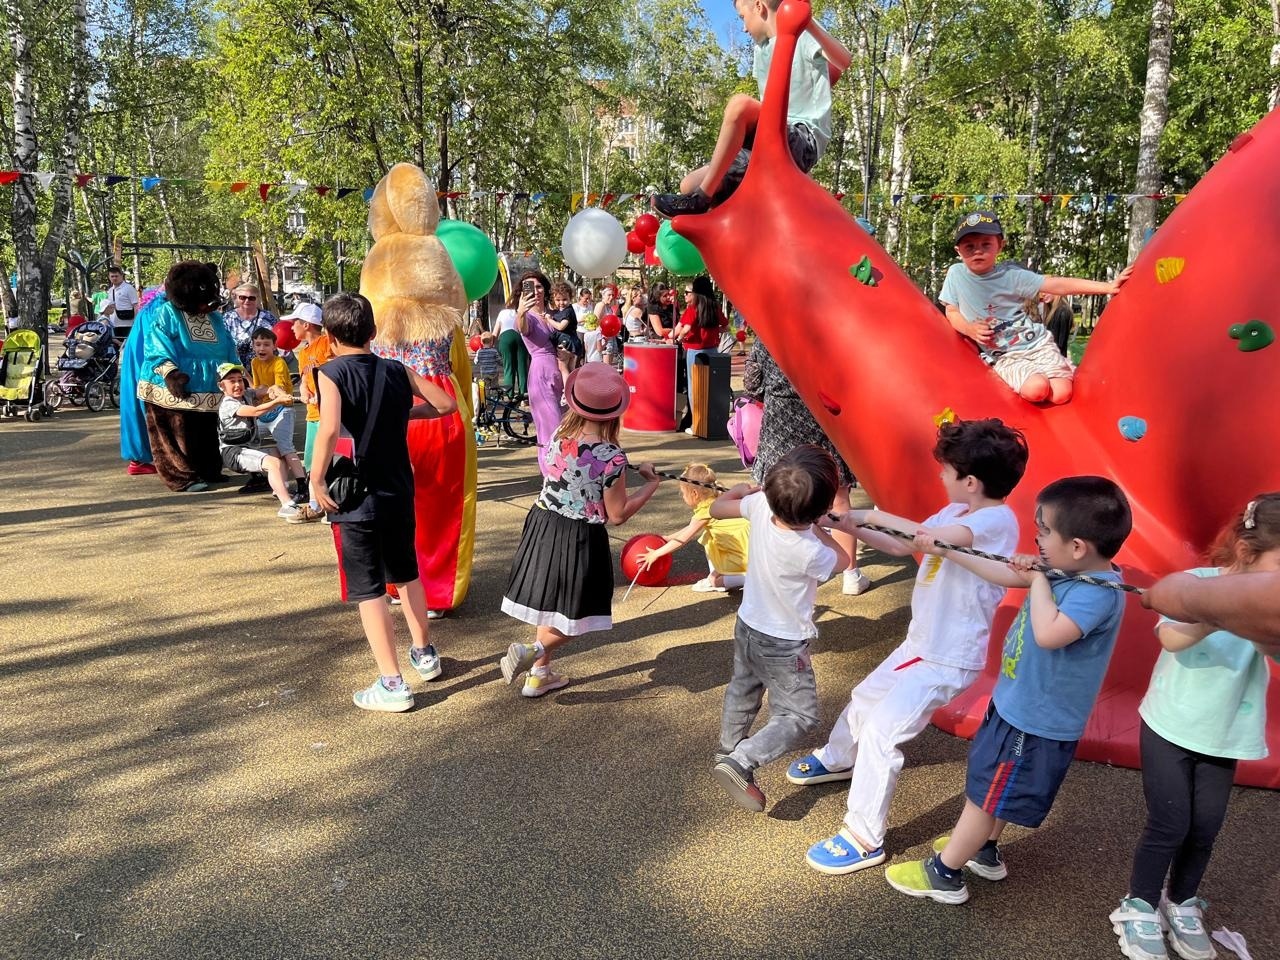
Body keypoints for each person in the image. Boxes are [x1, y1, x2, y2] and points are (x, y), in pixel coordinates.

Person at [793, 419, 1029, 874]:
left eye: (947, 471)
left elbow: (936, 543)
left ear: (971, 482)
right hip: (920, 644)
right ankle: (838, 759)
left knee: (883, 732)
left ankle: (864, 837)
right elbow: (905, 546)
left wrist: (870, 515)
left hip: (949, 658)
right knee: (864, 698)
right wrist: (847, 524)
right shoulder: (955, 510)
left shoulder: (995, 520)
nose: (940, 476)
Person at [884, 476, 1132, 905]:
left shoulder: (1098, 593)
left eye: (1044, 532)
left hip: (1034, 721)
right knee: (995, 790)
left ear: (1077, 547)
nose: (1037, 539)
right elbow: (1001, 571)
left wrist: (1038, 580)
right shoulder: (1069, 569)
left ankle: (944, 873)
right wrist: (947, 550)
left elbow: (1050, 634)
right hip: (1016, 704)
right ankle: (983, 848)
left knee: (985, 797)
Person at [1110, 494, 1280, 960]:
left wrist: (1262, 625)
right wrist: (1218, 613)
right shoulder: (1201, 584)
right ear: (1247, 552)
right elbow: (1170, 636)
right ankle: (1139, 904)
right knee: (1170, 822)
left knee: (1205, 828)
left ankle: (1181, 902)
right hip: (1169, 725)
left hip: (1223, 735)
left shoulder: (1266, 609)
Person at [309, 293, 458, 713]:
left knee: (369, 588)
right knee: (407, 572)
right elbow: (445, 404)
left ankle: (392, 682)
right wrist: (405, 416)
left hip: (357, 494)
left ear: (330, 337)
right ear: (373, 332)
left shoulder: (330, 372)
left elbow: (330, 428)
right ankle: (424, 653)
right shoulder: (396, 368)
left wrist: (315, 479)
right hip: (397, 487)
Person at [499, 363, 662, 697]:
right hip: (579, 537)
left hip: (544, 525)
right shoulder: (612, 455)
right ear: (615, 411)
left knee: (550, 605)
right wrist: (651, 484)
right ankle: (534, 651)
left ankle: (539, 674)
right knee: (583, 613)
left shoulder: (560, 436)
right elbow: (617, 514)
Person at [709, 445, 851, 812]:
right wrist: (821, 527)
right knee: (799, 715)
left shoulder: (758, 505)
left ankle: (728, 749)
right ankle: (741, 761)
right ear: (819, 508)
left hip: (748, 624)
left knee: (743, 688)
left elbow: (716, 508)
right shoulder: (810, 550)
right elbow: (843, 559)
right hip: (784, 642)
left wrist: (739, 491)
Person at [651, 0, 850, 217]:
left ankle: (702, 197)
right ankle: (713, 202)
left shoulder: (801, 30)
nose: (744, 28)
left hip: (802, 137)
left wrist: (807, 22)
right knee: (688, 184)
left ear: (759, 7)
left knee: (739, 105)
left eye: (742, 18)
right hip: (768, 135)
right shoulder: (761, 50)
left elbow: (843, 61)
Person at [941, 210, 1132, 404]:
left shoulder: (1011, 276)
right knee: (1037, 389)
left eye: (986, 244)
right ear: (958, 250)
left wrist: (1107, 287)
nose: (977, 251)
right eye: (969, 246)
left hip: (1037, 344)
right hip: (1006, 355)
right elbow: (951, 311)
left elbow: (1057, 285)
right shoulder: (956, 275)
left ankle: (1060, 365)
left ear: (1000, 246)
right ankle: (1034, 375)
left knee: (1062, 394)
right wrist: (969, 329)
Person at [745, 337, 870, 594]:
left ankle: (779, 563)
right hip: (823, 418)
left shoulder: (768, 335)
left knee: (779, 492)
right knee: (838, 496)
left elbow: (752, 383)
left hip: (781, 423)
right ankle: (850, 573)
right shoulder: (826, 333)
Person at [136, 261, 239, 492]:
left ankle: (208, 469)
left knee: (207, 430)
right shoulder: (167, 313)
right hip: (174, 384)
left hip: (209, 386)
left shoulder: (215, 318)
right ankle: (181, 475)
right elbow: (156, 345)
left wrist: (235, 371)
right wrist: (170, 373)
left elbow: (228, 345)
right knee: (176, 432)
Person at [215, 364, 317, 522]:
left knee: (280, 452)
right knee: (272, 463)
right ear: (221, 386)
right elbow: (255, 411)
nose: (237, 385)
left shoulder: (246, 394)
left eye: (240, 380)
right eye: (231, 381)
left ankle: (280, 489)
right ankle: (287, 505)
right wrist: (277, 401)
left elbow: (262, 390)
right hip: (234, 453)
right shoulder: (228, 405)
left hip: (248, 449)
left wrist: (274, 389)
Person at [639, 463, 751, 592]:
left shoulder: (705, 510)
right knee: (708, 537)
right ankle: (732, 574)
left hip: (742, 551)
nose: (682, 496)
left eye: (683, 493)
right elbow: (690, 528)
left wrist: (656, 554)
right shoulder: (715, 499)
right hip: (747, 544)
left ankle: (752, 579)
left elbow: (683, 539)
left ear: (694, 493)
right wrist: (668, 538)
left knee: (715, 581)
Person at [515, 271, 569, 476]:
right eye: (530, 287)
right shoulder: (526, 316)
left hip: (561, 373)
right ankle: (551, 475)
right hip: (541, 375)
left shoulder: (554, 313)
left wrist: (567, 352)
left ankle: (564, 472)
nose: (536, 291)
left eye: (539, 286)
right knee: (550, 428)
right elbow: (522, 328)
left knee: (565, 427)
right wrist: (520, 312)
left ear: (545, 289)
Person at [1142, 570, 1280, 649]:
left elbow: (1268, 649)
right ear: (1245, 551)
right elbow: (1169, 639)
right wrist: (1211, 623)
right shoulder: (1196, 578)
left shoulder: (1263, 606)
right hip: (1177, 690)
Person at [287, 302, 332, 474]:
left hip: (328, 414)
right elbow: (304, 379)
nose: (291, 328)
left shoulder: (326, 343)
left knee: (328, 459)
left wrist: (324, 395)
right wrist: (304, 390)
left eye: (294, 323)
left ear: (306, 325)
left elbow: (335, 371)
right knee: (311, 461)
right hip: (312, 414)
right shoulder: (303, 353)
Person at [223, 283, 278, 367]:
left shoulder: (268, 317)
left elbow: (277, 341)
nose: (247, 301)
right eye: (242, 297)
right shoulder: (228, 317)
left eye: (251, 298)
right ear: (236, 298)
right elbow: (222, 343)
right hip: (236, 368)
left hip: (265, 367)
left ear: (258, 299)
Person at [493, 289, 529, 398]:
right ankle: (524, 396)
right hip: (520, 337)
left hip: (505, 338)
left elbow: (495, 332)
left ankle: (509, 394)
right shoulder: (524, 312)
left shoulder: (503, 313)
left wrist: (491, 345)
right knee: (522, 368)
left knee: (508, 367)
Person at [546, 280, 581, 380]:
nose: (561, 303)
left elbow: (561, 326)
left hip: (566, 342)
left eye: (564, 299)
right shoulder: (564, 310)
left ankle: (567, 388)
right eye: (558, 300)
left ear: (570, 298)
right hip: (571, 341)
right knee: (571, 368)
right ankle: (573, 386)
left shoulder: (567, 312)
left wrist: (549, 319)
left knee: (563, 367)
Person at [101, 265, 140, 341]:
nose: (114, 278)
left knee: (127, 344)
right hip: (114, 324)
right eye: (112, 276)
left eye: (116, 276)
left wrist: (136, 321)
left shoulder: (128, 288)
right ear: (109, 277)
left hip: (128, 324)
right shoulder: (110, 290)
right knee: (117, 345)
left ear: (121, 276)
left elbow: (136, 305)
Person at [473, 331, 502, 399]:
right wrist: (503, 364)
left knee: (486, 387)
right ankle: (495, 398)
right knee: (494, 386)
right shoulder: (494, 351)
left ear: (481, 342)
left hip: (484, 373)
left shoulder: (479, 351)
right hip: (494, 373)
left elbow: (476, 361)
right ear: (491, 342)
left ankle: (488, 399)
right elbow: (499, 361)